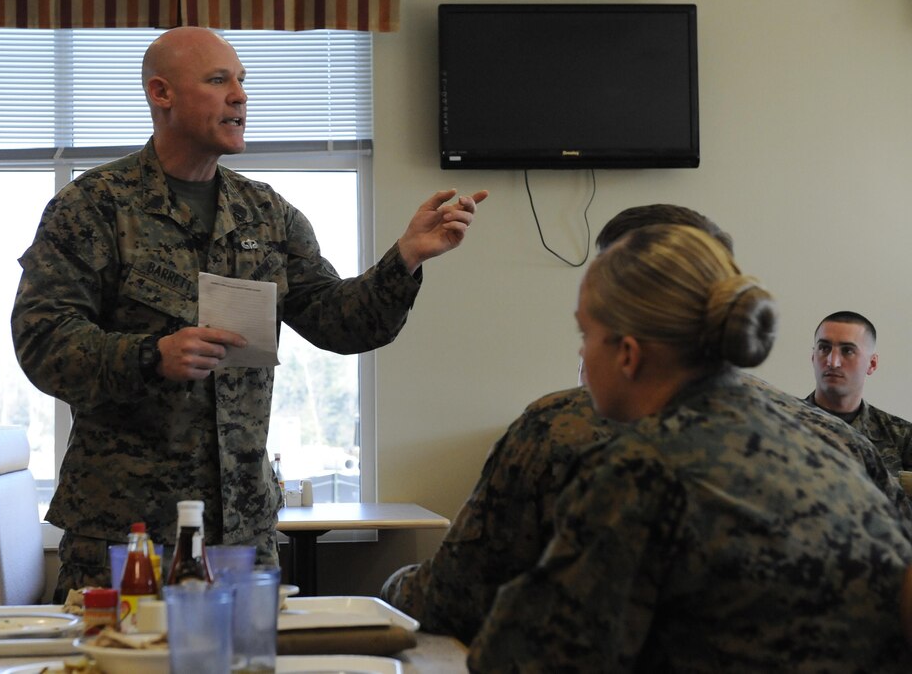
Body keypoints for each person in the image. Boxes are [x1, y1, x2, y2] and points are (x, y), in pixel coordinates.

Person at [10, 26, 489, 601]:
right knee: (121, 652)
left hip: (242, 529)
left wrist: (405, 258)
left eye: (241, 81)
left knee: (245, 652)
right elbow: (43, 340)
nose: (240, 95)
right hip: (128, 529)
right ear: (161, 93)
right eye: (218, 81)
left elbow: (340, 321)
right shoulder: (93, 207)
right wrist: (150, 356)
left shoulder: (267, 213)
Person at [380, 205, 911, 646]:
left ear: (627, 343)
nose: (582, 352)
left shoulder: (605, 454)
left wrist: (387, 591)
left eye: (589, 330)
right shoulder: (838, 440)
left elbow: (469, 610)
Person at [806, 310, 912, 473]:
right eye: (824, 348)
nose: (833, 362)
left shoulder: (902, 437)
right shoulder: (782, 421)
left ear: (872, 364)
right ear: (813, 357)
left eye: (847, 351)